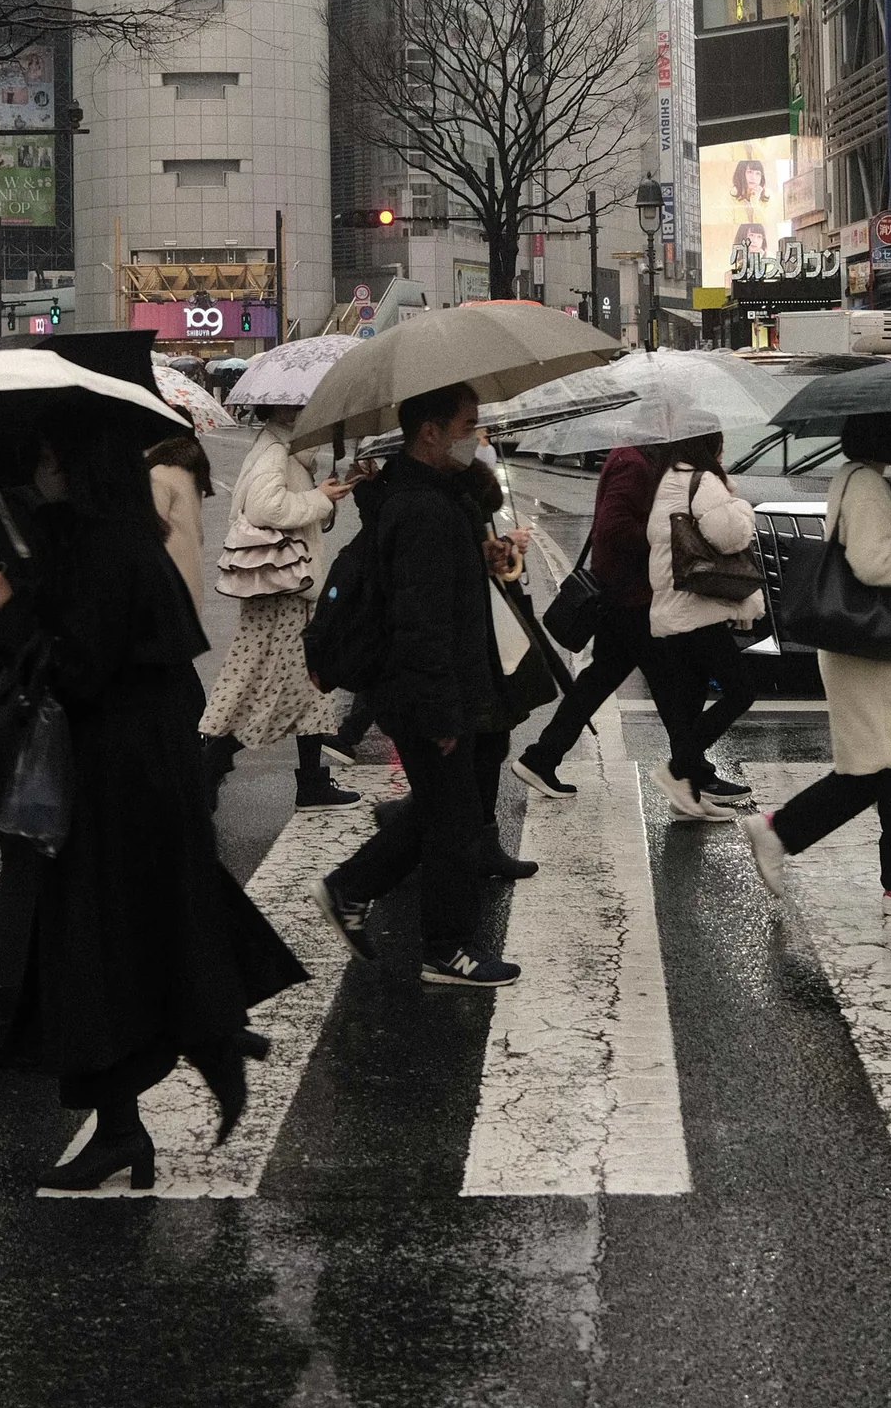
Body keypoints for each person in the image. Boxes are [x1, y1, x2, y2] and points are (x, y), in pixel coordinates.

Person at [0, 407, 305, 1192]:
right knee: (136, 927)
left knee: (101, 943)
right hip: (138, 765)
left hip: (116, 774)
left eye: (51, 450)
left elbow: (81, 669)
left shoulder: (104, 544)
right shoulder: (113, 532)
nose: (42, 465)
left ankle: (183, 1063)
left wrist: (7, 608)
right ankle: (177, 1070)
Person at [314, 383, 523, 989]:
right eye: (466, 425)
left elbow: (434, 593)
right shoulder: (423, 509)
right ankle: (446, 948)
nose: (475, 437)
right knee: (453, 820)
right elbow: (420, 622)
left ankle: (349, 888)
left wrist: (478, 554)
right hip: (426, 692)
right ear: (429, 432)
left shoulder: (430, 496)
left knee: (440, 809)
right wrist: (441, 716)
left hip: (426, 687)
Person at [744, 412, 891, 918]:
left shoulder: (855, 479)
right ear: (886, 436)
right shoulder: (866, 487)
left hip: (874, 650)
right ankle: (784, 833)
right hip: (882, 653)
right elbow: (872, 563)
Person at [513, 434, 741, 809]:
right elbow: (613, 527)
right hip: (629, 596)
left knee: (613, 681)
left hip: (632, 593)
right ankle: (691, 774)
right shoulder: (632, 463)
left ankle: (542, 757)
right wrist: (670, 536)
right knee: (668, 690)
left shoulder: (639, 459)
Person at [201, 406, 359, 812]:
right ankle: (210, 763)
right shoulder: (276, 450)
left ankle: (311, 783)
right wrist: (319, 499)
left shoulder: (283, 449)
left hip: (288, 586)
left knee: (305, 687)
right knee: (262, 682)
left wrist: (326, 495)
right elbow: (265, 509)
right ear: (287, 410)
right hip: (284, 591)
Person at [644, 423, 765, 819]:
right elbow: (731, 537)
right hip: (696, 609)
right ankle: (678, 770)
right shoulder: (702, 480)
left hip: (672, 608)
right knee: (741, 690)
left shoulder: (667, 479)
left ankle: (688, 796)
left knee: (690, 703)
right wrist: (741, 506)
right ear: (708, 444)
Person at [146, 425, 212, 609]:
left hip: (167, 575)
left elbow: (153, 530)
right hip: (190, 571)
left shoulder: (158, 475)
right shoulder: (190, 469)